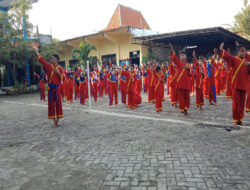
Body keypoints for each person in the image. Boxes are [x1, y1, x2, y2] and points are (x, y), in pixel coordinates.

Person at [32, 43, 64, 126]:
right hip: (51, 89)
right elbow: (41, 60)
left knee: (58, 104)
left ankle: (58, 120)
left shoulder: (60, 68)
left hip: (57, 89)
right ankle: (54, 120)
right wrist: (36, 51)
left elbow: (63, 79)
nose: (52, 59)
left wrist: (58, 73)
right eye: (52, 58)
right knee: (51, 105)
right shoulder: (49, 66)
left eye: (53, 58)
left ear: (57, 59)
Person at [219, 42, 250, 125]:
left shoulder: (247, 61)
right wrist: (222, 50)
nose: (243, 53)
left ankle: (240, 119)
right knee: (236, 104)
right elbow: (228, 57)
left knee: (242, 104)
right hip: (236, 85)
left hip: (244, 86)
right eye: (241, 51)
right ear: (237, 52)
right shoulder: (234, 60)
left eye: (244, 51)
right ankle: (235, 120)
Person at [169, 43, 191, 115]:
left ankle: (186, 109)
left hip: (187, 85)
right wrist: (172, 49)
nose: (182, 57)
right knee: (181, 99)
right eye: (181, 56)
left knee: (187, 98)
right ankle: (182, 110)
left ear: (186, 56)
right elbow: (174, 58)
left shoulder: (188, 65)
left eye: (183, 55)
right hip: (180, 84)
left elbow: (191, 74)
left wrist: (188, 69)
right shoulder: (179, 64)